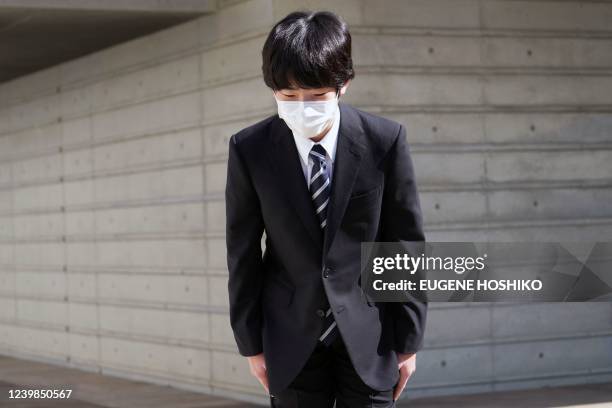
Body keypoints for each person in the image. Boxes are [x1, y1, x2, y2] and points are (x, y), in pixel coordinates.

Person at [225, 10, 427, 408]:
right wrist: (250, 343)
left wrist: (408, 342)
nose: (303, 107)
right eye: (288, 96)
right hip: (289, 339)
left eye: (316, 96)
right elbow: (242, 252)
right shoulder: (249, 150)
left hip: (371, 338)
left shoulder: (385, 141)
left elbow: (403, 246)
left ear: (344, 83)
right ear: (272, 90)